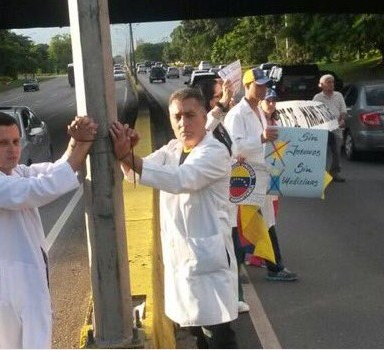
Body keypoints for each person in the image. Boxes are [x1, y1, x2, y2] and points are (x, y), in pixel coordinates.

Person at [110, 88, 238, 348]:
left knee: (217, 334)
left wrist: (127, 156)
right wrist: (128, 155)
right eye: (177, 117)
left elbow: (181, 179)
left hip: (207, 260)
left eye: (190, 115)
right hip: (183, 258)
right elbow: (136, 173)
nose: (183, 123)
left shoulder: (214, 152)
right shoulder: (172, 149)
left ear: (204, 116)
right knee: (198, 333)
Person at [0, 112, 98, 349]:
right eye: (2, 143)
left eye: (16, 141)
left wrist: (75, 141)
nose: (12, 149)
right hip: (2, 287)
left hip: (30, 280)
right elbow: (36, 190)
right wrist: (82, 146)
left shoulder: (15, 172)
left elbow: (54, 170)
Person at [224, 68, 297, 282]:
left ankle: (275, 267)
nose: (264, 89)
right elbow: (232, 148)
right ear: (247, 87)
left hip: (262, 175)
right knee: (241, 224)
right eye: (259, 85)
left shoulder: (259, 113)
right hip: (246, 178)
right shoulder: (237, 114)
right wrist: (261, 139)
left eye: (266, 85)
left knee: (267, 222)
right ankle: (237, 272)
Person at [196, 78, 250, 314]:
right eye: (217, 97)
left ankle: (233, 297)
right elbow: (207, 124)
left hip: (228, 199)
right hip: (216, 204)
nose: (223, 100)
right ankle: (225, 301)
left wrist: (235, 157)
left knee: (233, 250)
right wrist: (225, 104)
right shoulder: (205, 127)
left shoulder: (221, 126)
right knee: (224, 253)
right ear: (207, 102)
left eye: (222, 96)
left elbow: (229, 148)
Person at [313, 74, 348, 182]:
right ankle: (319, 174)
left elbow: (343, 111)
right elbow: (313, 114)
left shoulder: (339, 95)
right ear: (322, 85)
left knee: (336, 152)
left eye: (332, 82)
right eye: (328, 82)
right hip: (323, 129)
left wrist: (342, 120)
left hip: (336, 128)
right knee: (321, 152)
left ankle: (335, 173)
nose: (331, 84)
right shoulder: (317, 98)